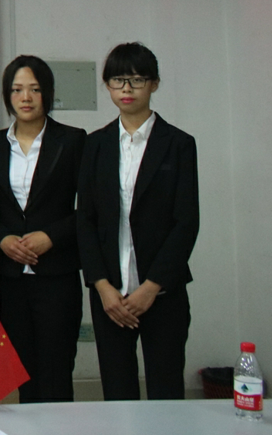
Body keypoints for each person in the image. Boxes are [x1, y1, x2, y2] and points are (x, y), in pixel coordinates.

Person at [76, 42, 199, 401]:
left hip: (162, 293)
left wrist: (151, 287)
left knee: (166, 391)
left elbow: (186, 222)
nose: (126, 89)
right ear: (107, 86)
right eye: (118, 80)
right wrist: (101, 286)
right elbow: (85, 220)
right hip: (110, 295)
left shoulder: (178, 144)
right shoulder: (95, 145)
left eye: (137, 80)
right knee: (118, 394)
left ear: (154, 83)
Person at [0, 55, 85, 402]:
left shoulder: (72, 140)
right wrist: (2, 239)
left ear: (47, 93)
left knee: (56, 371)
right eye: (17, 90)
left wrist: (51, 236)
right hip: (11, 277)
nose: (25, 97)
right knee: (22, 370)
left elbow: (90, 210)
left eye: (34, 89)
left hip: (57, 274)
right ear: (7, 95)